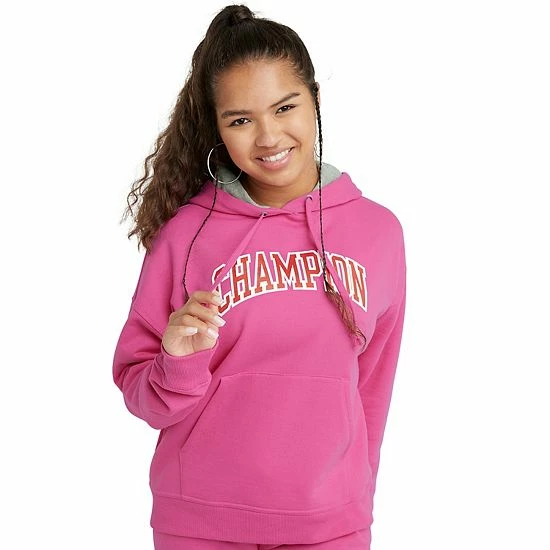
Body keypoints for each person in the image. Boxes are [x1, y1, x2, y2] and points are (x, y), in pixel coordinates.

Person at [112, 4, 406, 549]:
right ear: (218, 128)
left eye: (285, 107)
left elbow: (374, 388)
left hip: (329, 525)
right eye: (240, 120)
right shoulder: (187, 235)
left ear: (316, 100)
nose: (268, 137)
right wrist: (177, 359)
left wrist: (353, 504)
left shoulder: (377, 233)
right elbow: (143, 397)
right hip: (199, 520)